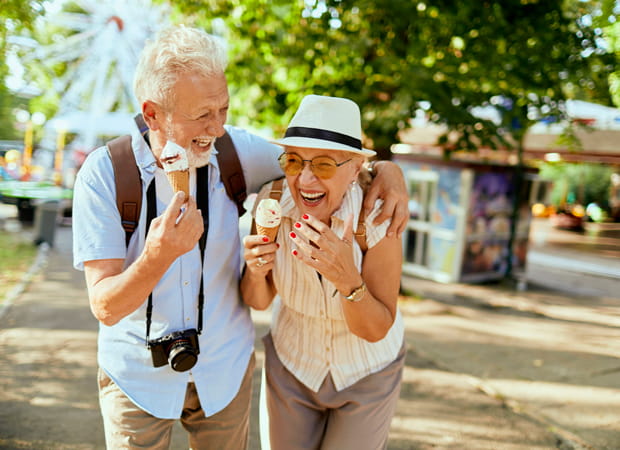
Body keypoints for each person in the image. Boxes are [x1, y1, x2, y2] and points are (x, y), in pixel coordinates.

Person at [72, 25, 408, 450]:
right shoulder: (105, 176)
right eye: (202, 115)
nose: (216, 129)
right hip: (137, 376)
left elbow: (326, 166)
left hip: (223, 371)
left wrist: (391, 174)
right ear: (153, 113)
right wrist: (158, 254)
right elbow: (105, 306)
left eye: (224, 109)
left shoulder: (236, 153)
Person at [241, 94, 406, 450]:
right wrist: (255, 271)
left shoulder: (375, 218)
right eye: (295, 161)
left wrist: (348, 278)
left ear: (355, 168)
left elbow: (376, 328)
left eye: (325, 165)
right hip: (293, 364)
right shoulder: (270, 204)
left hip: (366, 370)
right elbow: (257, 300)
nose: (305, 179)